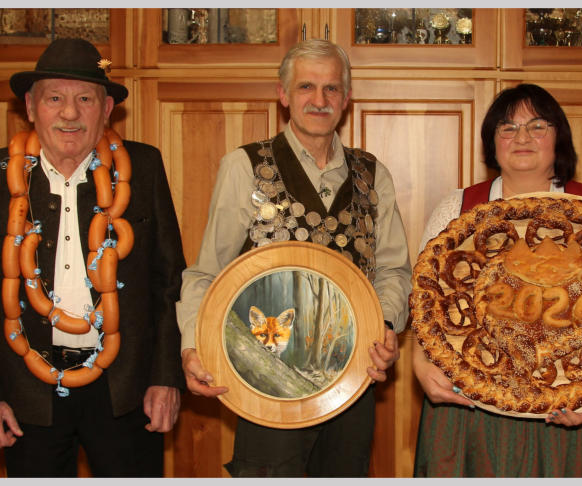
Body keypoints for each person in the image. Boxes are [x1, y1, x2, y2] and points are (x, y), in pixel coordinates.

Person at [0, 38, 186, 477]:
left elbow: (169, 283)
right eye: (54, 98)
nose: (70, 113)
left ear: (107, 109)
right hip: (25, 396)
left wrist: (166, 377)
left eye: (85, 99)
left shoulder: (145, 168)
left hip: (126, 392)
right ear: (30, 107)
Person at [176, 39, 412, 477]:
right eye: (306, 87)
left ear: (346, 97)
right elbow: (207, 273)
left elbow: (393, 269)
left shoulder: (372, 173)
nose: (319, 100)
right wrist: (194, 345)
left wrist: (381, 326)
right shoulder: (244, 166)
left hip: (351, 378)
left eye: (331, 88)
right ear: (283, 95)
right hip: (266, 379)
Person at [412, 83, 582, 477]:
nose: (522, 137)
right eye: (508, 128)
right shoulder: (457, 207)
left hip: (569, 401)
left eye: (537, 126)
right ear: (492, 143)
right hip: (472, 403)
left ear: (558, 137)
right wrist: (420, 362)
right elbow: (427, 300)